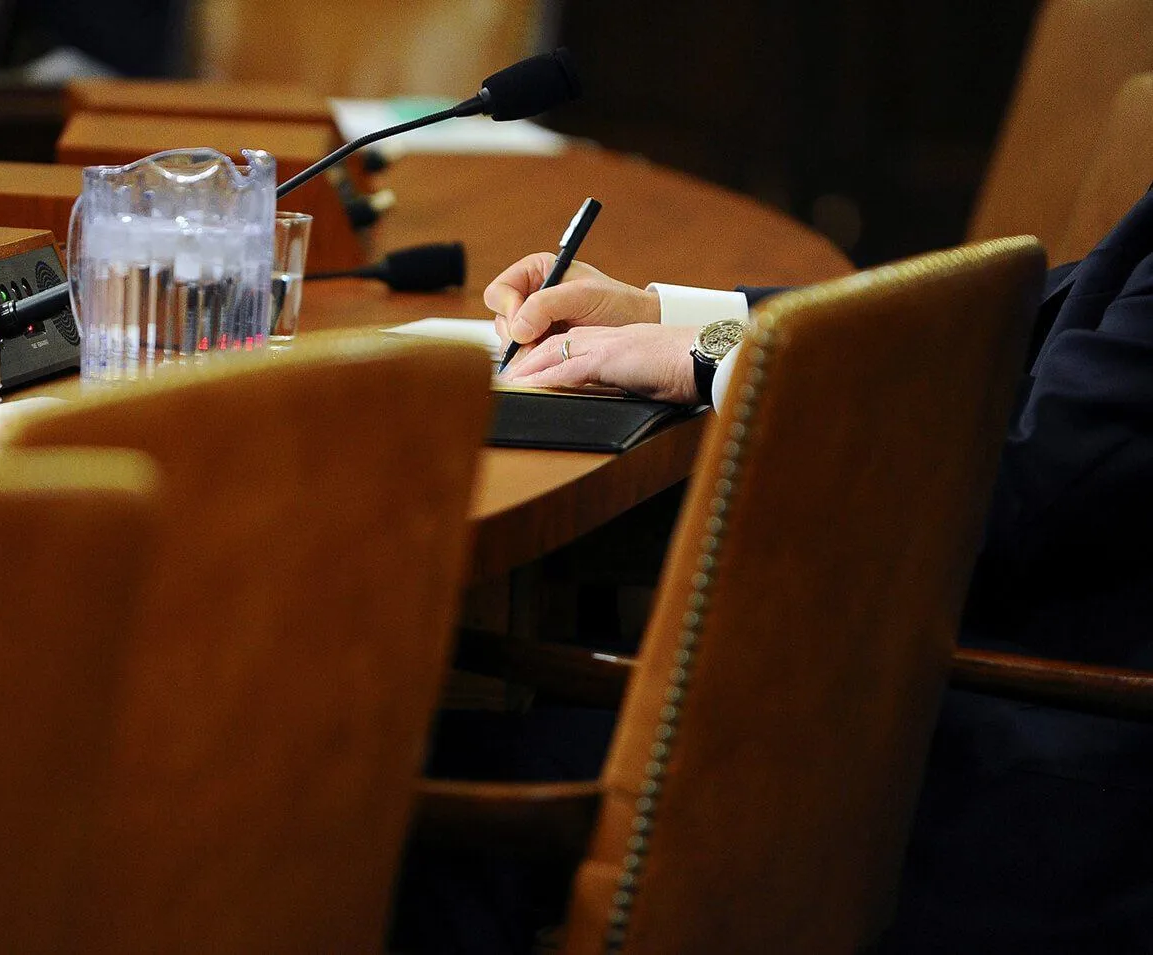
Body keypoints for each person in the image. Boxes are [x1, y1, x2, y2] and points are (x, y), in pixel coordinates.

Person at [436, 187, 1153, 952]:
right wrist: (667, 320)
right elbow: (1033, 319)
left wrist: (713, 362)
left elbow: (1024, 491)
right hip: (966, 689)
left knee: (415, 781)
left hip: (1039, 774)